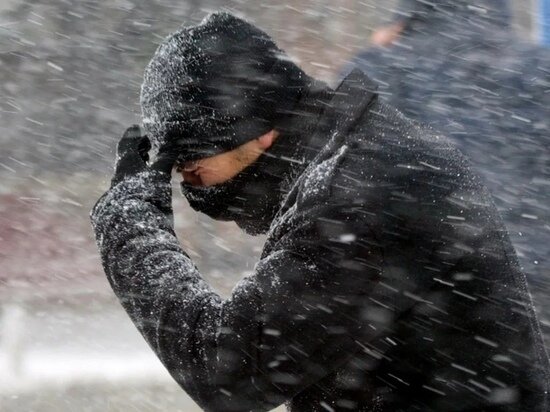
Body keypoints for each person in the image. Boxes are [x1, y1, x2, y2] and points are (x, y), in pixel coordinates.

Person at [91, 12, 550, 411]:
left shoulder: (359, 197)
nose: (190, 186)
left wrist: (131, 230)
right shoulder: (358, 157)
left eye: (192, 167)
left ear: (259, 131)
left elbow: (227, 371)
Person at [347, 0, 550, 299]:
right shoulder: (539, 68)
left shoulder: (378, 73)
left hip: (416, 293)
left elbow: (338, 187)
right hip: (531, 279)